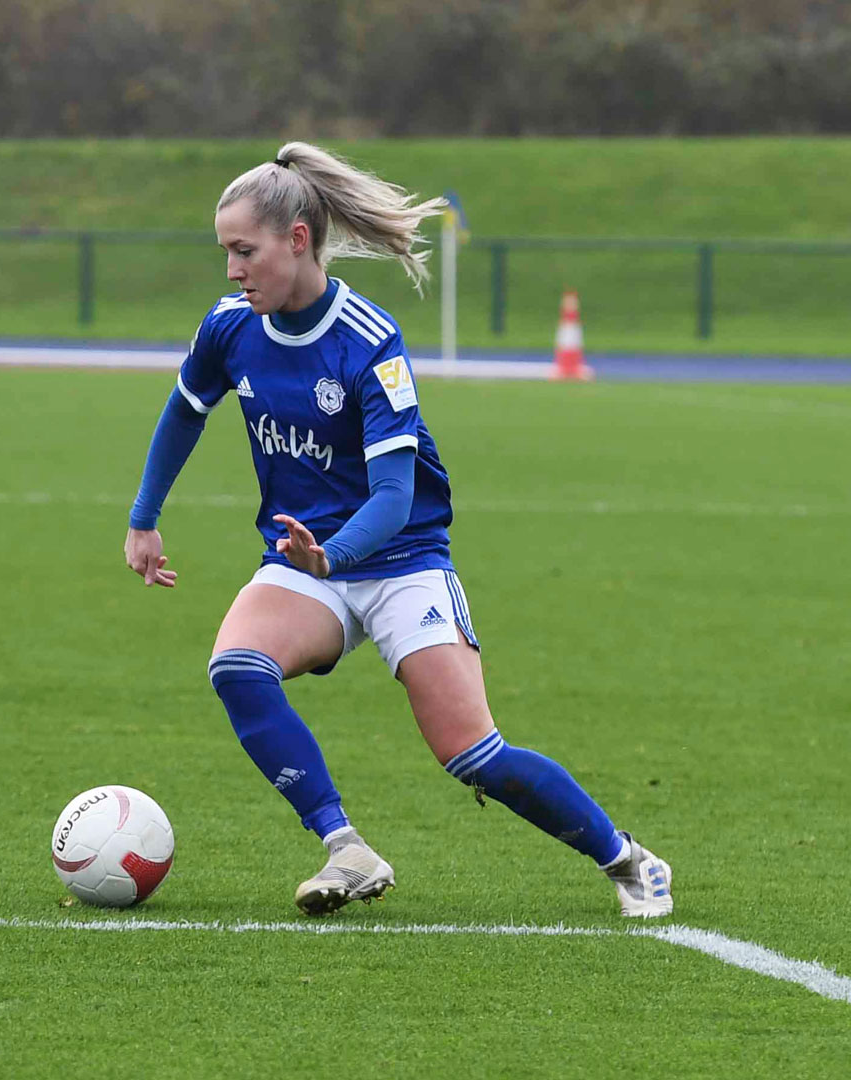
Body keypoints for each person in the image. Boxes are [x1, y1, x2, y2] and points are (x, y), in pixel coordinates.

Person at [121, 142, 674, 918]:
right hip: (306, 563)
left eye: (244, 251)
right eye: (225, 252)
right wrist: (144, 520)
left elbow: (393, 493)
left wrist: (333, 556)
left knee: (474, 755)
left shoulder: (368, 340)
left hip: (399, 557)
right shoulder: (229, 328)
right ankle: (345, 847)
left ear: (298, 240)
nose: (231, 270)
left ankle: (628, 859)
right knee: (237, 667)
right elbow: (185, 408)